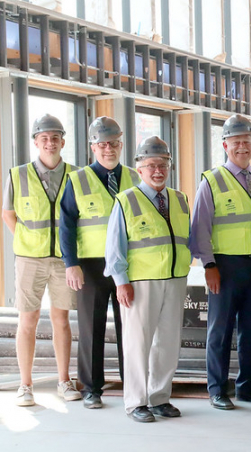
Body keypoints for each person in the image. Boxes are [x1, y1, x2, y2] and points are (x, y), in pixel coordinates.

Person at [104, 136, 191, 423]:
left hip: (175, 279)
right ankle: (135, 402)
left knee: (167, 342)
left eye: (163, 164)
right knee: (138, 343)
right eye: (152, 165)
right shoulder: (126, 200)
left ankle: (159, 397)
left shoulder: (179, 199)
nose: (158, 170)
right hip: (139, 283)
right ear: (139, 169)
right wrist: (121, 281)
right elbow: (115, 246)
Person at [190, 114, 251, 409]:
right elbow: (199, 228)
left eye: (246, 141)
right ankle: (217, 389)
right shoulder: (211, 181)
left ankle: (247, 387)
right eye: (235, 142)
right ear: (225, 145)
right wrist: (208, 266)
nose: (242, 147)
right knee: (220, 331)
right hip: (224, 267)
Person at [60, 116, 140, 409]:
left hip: (129, 264)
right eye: (103, 144)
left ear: (121, 144)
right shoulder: (77, 180)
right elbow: (66, 225)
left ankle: (132, 383)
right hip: (90, 266)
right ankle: (92, 389)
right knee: (91, 327)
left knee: (129, 327)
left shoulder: (134, 176)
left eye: (114, 143)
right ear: (93, 147)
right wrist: (71, 263)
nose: (109, 149)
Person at [3, 114, 80, 406]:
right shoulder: (17, 174)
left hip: (64, 260)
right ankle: (25, 385)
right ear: (36, 142)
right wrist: (28, 242)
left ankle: (64, 380)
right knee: (28, 320)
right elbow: (8, 214)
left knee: (61, 320)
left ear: (63, 141)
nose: (50, 142)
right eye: (44, 137)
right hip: (29, 260)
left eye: (55, 137)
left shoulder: (76, 175)